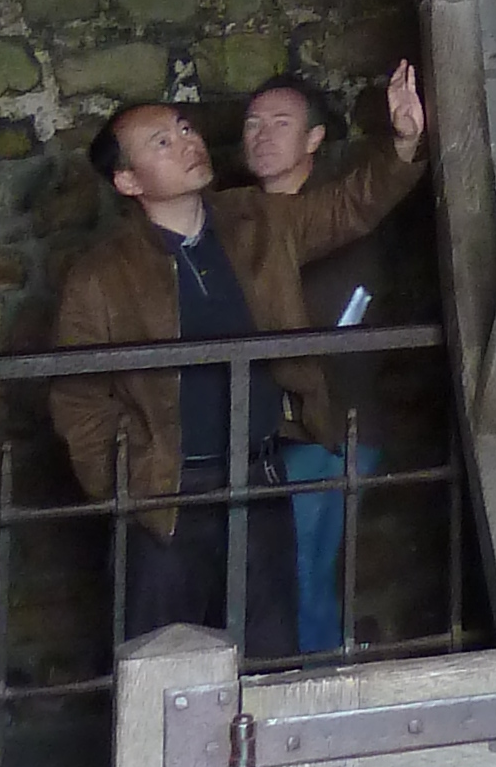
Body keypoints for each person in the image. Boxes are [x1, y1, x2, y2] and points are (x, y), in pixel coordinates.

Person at [50, 60, 427, 655]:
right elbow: (78, 396)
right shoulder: (101, 276)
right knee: (160, 662)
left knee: (269, 652)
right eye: (163, 142)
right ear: (128, 181)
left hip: (259, 476)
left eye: (186, 129)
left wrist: (404, 142)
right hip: (167, 494)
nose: (188, 143)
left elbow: (347, 207)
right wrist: (129, 482)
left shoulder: (254, 221)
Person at [237, 75, 394, 654]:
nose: (262, 135)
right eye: (253, 123)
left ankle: (314, 714)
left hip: (329, 427)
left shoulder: (340, 223)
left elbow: (339, 329)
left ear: (314, 139)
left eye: (281, 124)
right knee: (282, 578)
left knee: (298, 577)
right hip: (271, 431)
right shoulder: (238, 219)